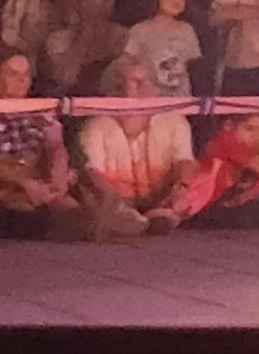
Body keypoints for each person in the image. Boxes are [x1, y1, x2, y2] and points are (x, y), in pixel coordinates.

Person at [76, 57, 191, 236]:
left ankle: (152, 218)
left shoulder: (174, 121)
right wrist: (112, 199)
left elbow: (185, 159)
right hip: (116, 202)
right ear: (116, 89)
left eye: (150, 82)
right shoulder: (97, 125)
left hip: (162, 199)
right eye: (137, 82)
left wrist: (182, 189)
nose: (146, 88)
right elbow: (92, 171)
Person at [0, 48, 86, 238]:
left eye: (26, 74)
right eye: (13, 74)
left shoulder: (40, 112)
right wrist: (24, 183)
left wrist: (58, 177)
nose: (22, 80)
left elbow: (56, 148)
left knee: (72, 208)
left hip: (39, 180)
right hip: (3, 187)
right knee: (21, 214)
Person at [122, 0, 201, 98]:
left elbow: (191, 65)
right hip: (148, 97)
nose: (176, 0)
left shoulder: (187, 30)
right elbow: (127, 63)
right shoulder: (140, 30)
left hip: (179, 98)